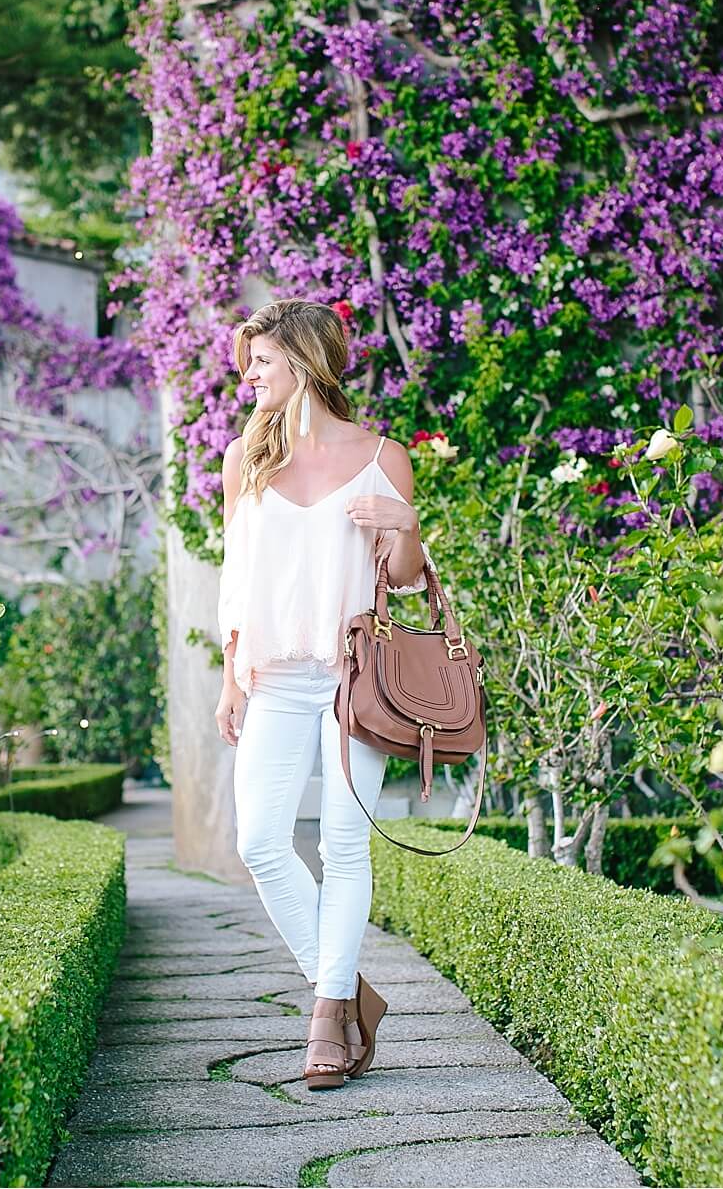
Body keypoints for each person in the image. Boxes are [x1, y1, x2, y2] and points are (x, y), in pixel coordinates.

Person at [213, 297, 430, 1090]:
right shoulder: (248, 457)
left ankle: (326, 1022)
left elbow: (402, 576)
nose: (249, 375)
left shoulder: (383, 455)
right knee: (261, 840)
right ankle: (343, 993)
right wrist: (230, 676)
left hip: (354, 681)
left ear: (303, 361)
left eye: (262, 361)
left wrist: (404, 520)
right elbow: (236, 579)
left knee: (344, 843)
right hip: (270, 675)